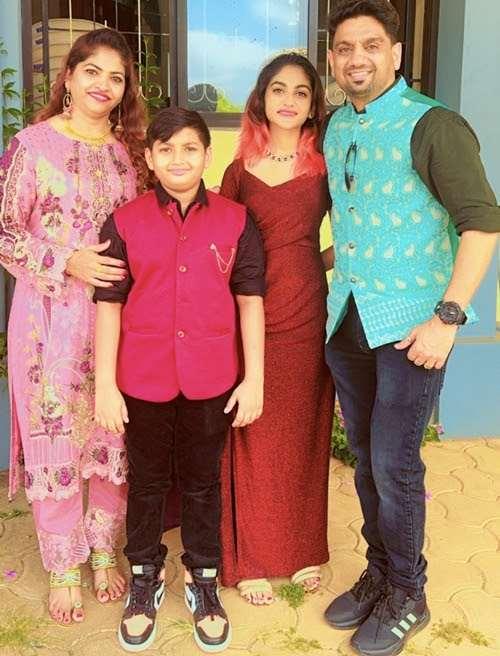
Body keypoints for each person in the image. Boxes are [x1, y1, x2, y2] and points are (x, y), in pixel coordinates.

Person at [322, 2, 500, 655]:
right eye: (345, 47)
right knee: (366, 457)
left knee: (394, 463)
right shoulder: (337, 124)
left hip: (413, 329)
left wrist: (448, 318)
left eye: (371, 45)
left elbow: (482, 223)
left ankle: (409, 593)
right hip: (349, 319)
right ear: (333, 59)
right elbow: (356, 220)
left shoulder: (434, 125)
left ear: (396, 54)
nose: (357, 58)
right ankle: (380, 571)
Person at [93, 106, 265, 653]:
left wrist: (254, 379)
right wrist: (104, 386)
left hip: (212, 380)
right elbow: (109, 305)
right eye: (165, 149)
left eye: (190, 148)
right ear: (149, 158)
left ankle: (203, 577)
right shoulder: (124, 221)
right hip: (140, 379)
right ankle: (144, 577)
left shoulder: (236, 220)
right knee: (146, 482)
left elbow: (250, 302)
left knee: (201, 482)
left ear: (207, 155)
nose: (178, 159)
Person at [0, 28, 146, 625]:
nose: (103, 86)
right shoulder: (31, 145)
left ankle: (104, 548)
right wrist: (66, 261)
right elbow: (4, 231)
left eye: (116, 77)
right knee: (55, 433)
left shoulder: (129, 152)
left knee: (112, 431)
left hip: (118, 320)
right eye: (93, 72)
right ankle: (64, 564)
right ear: (69, 75)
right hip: (47, 322)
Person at [219, 53, 334, 605]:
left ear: (313, 106)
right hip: (251, 313)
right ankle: (252, 558)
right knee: (252, 425)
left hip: (308, 313)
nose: (289, 100)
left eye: (301, 92)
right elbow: (220, 246)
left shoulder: (326, 165)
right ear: (261, 99)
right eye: (279, 90)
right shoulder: (239, 170)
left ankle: (303, 549)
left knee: (304, 429)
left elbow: (354, 232)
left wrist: (319, 262)